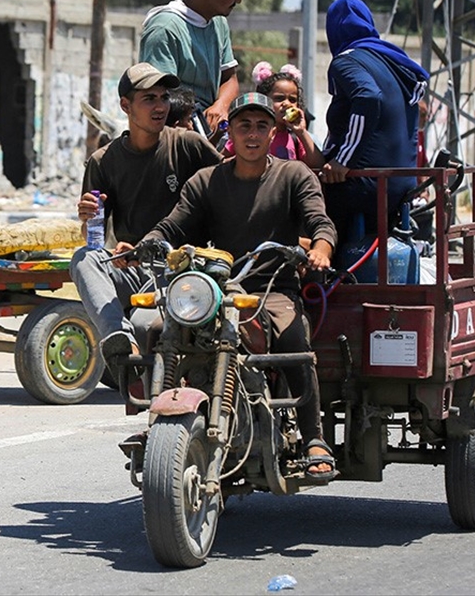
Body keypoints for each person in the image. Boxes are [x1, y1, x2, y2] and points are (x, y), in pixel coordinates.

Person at [139, 92, 338, 480]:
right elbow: (174, 224)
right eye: (243, 125)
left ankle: (315, 436)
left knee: (294, 340)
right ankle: (158, 426)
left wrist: (321, 249)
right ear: (230, 131)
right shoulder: (207, 180)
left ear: (272, 131)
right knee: (160, 330)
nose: (252, 134)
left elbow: (320, 221)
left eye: (261, 125)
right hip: (214, 288)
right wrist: (148, 242)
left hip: (273, 288)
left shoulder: (294, 174)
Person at [71, 63, 222, 363]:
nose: (160, 106)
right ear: (126, 106)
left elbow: (227, 189)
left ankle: (142, 350)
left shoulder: (188, 145)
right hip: (132, 265)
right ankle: (117, 336)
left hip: (181, 268)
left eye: (164, 97)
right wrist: (87, 220)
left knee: (144, 324)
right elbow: (94, 238)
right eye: (149, 99)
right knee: (83, 259)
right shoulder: (103, 161)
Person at [320, 0, 430, 255]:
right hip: (401, 183)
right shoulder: (391, 60)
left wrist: (344, 160)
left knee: (300, 197)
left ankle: (310, 280)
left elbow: (368, 97)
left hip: (365, 185)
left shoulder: (346, 60)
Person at [140, 0, 251, 138]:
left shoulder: (219, 24)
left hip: (210, 133)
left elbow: (229, 79)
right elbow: (157, 97)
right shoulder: (165, 28)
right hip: (173, 136)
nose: (239, 1)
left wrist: (221, 106)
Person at [223, 61, 324, 167]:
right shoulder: (247, 135)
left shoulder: (296, 139)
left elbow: (317, 164)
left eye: (292, 100)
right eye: (279, 98)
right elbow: (220, 161)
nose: (287, 104)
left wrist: (301, 132)